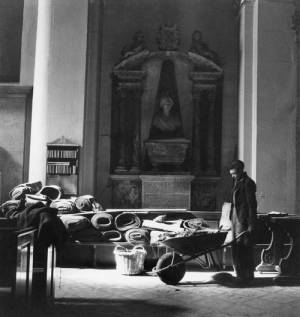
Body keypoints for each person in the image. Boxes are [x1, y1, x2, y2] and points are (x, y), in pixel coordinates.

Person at [229, 160, 257, 285]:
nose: (232, 176)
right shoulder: (236, 181)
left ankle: (248, 276)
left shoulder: (248, 183)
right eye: (231, 174)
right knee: (236, 246)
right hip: (235, 218)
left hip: (243, 219)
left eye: (234, 173)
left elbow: (252, 205)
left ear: (241, 171)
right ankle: (239, 275)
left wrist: (251, 224)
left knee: (245, 247)